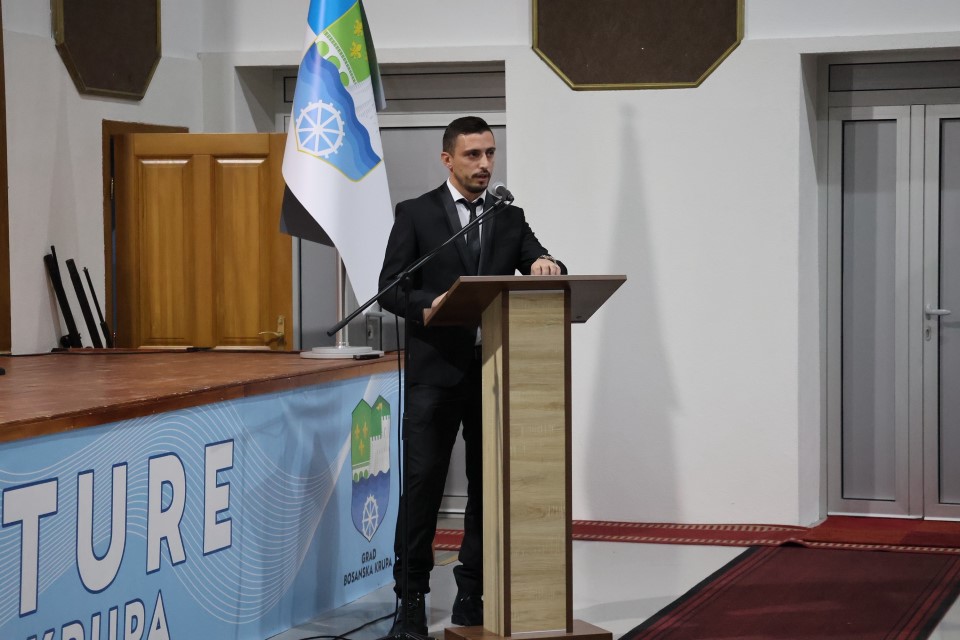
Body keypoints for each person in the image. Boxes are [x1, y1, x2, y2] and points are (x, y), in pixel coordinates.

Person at [378, 116, 565, 634]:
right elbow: (390, 287)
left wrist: (547, 262)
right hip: (435, 375)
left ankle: (471, 594)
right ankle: (411, 601)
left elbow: (541, 260)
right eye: (473, 155)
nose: (485, 164)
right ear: (447, 159)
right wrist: (428, 304)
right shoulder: (416, 214)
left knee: (487, 488)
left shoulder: (508, 215)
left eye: (490, 153)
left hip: (493, 374)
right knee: (423, 487)